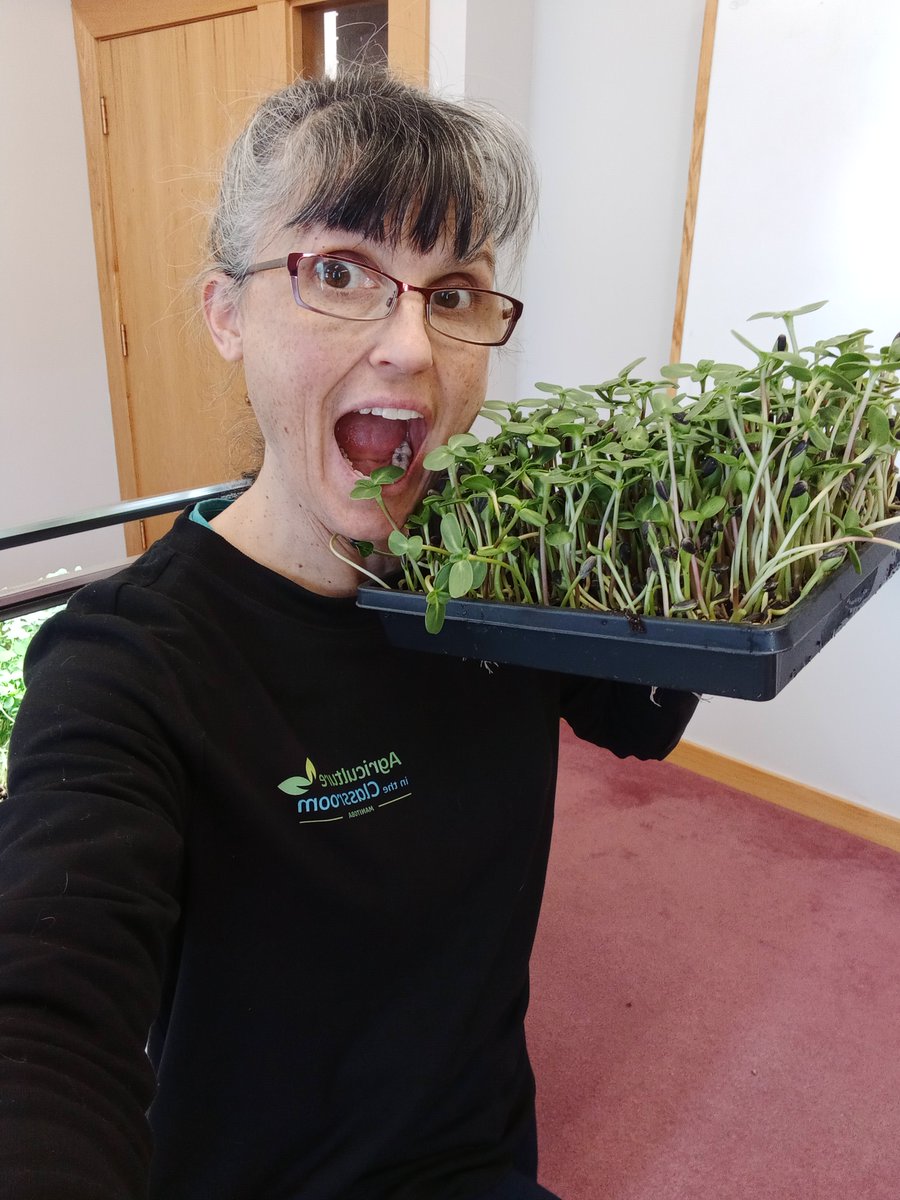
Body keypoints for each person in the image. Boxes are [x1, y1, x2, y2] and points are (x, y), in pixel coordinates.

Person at [0, 69, 698, 1200]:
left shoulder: (502, 575)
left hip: (476, 1164)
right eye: (339, 272)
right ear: (227, 314)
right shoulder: (125, 664)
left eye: (456, 291)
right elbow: (43, 1007)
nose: (412, 346)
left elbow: (643, 719)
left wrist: (689, 551)